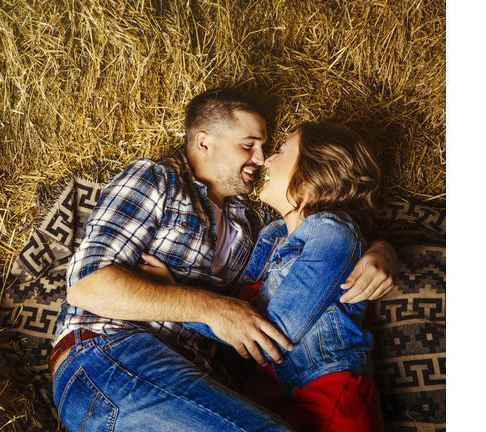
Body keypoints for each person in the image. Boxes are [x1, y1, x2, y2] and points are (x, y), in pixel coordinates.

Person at [49, 89, 396, 431]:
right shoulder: (158, 179)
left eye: (268, 148)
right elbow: (85, 286)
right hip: (109, 356)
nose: (261, 159)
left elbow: (324, 236)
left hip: (197, 386)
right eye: (249, 145)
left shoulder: (252, 227)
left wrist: (382, 249)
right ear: (204, 142)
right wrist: (211, 309)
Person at [143, 122, 386, 431]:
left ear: (315, 171)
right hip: (269, 403)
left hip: (327, 398)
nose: (266, 161)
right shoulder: (271, 236)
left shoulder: (334, 232)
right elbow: (235, 316)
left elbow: (268, 333)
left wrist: (169, 293)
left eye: (281, 151)